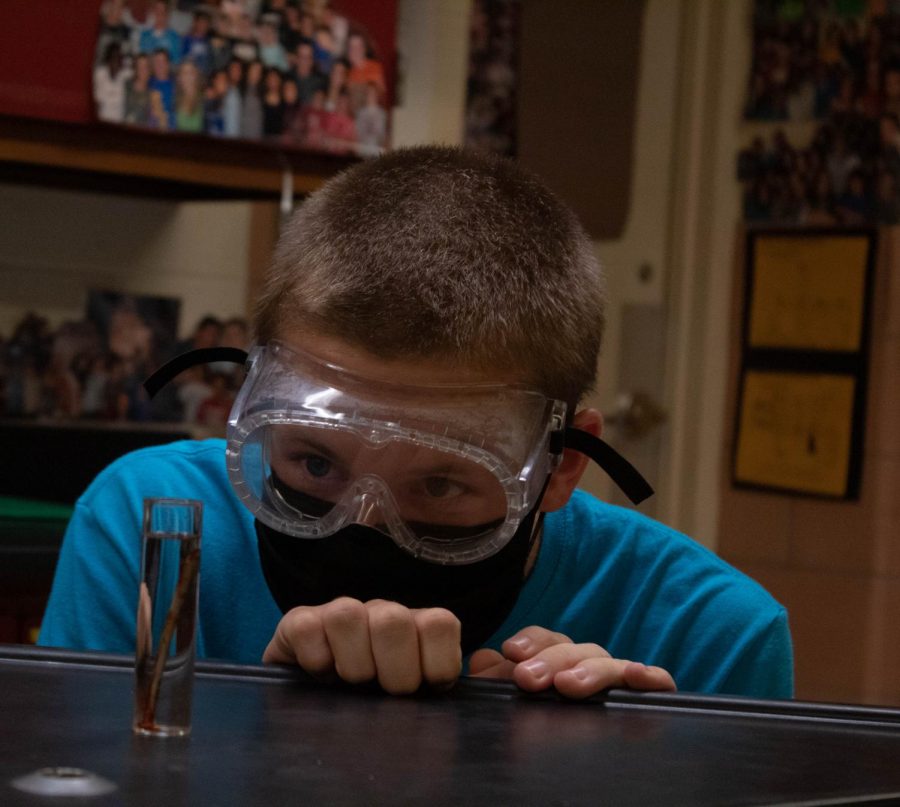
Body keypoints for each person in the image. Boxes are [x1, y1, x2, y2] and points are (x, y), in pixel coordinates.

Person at [39, 147, 793, 701]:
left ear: (560, 465)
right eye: (314, 462)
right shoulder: (159, 533)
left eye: (440, 481)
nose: (361, 527)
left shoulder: (707, 637)